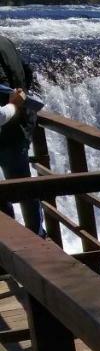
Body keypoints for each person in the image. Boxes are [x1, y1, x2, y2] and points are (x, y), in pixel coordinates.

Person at [0, 33, 44, 236]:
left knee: (14, 189)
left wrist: (12, 104)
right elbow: (27, 71)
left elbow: (3, 90)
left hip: (7, 127)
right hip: (20, 125)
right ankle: (37, 234)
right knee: (24, 186)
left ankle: (12, 236)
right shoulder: (6, 41)